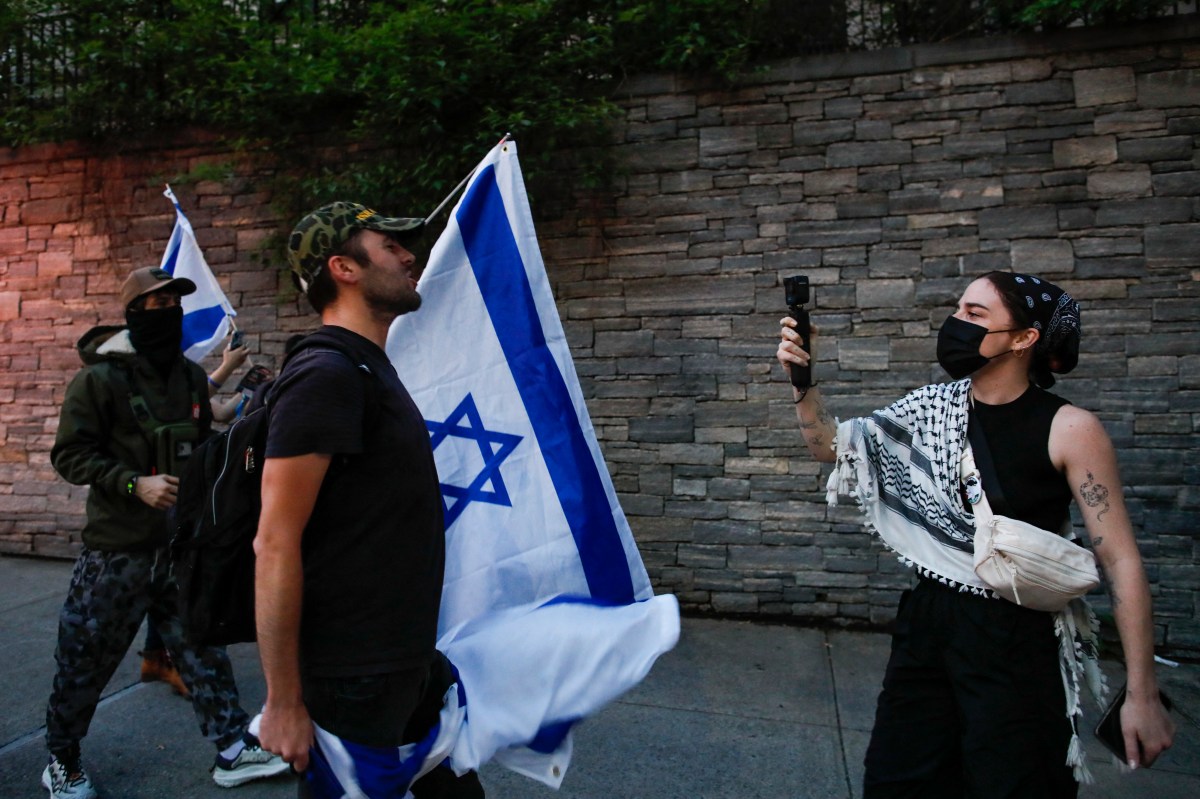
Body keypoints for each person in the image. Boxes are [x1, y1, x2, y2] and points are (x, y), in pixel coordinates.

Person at [776, 271, 1174, 798]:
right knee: (900, 781)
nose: (957, 323)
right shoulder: (932, 408)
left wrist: (1142, 693)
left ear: (1024, 338)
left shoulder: (1071, 429)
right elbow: (832, 447)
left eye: (975, 314)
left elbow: (1120, 562)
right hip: (929, 624)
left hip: (1015, 639)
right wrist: (803, 382)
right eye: (959, 309)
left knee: (1013, 784)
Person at [254, 202, 482, 798]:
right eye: (390, 246)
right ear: (343, 268)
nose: (410, 256)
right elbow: (275, 541)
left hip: (406, 666)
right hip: (351, 680)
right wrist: (283, 702)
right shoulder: (325, 376)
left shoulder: (367, 367)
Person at [46, 266, 291, 799]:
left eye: (173, 305)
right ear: (133, 313)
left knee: (202, 645)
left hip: (179, 544)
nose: (167, 314)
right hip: (118, 551)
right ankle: (62, 758)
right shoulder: (98, 381)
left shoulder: (184, 376)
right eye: (154, 307)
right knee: (86, 656)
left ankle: (231, 747)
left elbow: (202, 440)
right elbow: (69, 455)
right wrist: (134, 484)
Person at [139, 333, 252, 691]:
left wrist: (253, 391)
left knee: (168, 576)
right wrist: (227, 366)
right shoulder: (146, 380)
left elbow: (219, 413)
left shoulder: (189, 380)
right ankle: (173, 661)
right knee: (171, 576)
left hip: (185, 489)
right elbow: (177, 404)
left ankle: (156, 658)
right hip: (159, 489)